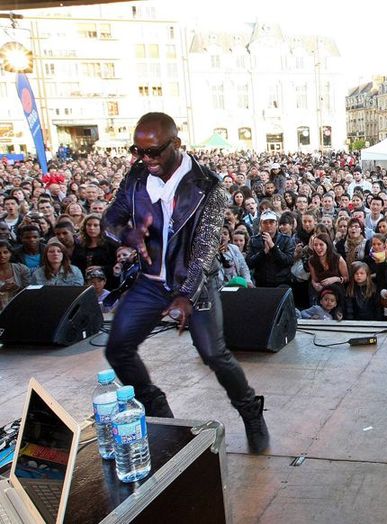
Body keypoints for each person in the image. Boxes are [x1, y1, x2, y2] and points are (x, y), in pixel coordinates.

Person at [102, 112, 269, 453]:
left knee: (213, 354)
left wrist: (185, 296)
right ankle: (158, 410)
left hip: (195, 283)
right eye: (138, 150)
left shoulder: (208, 186)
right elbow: (110, 220)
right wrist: (129, 235)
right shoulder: (136, 177)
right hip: (151, 281)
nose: (145, 159)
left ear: (176, 144)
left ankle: (251, 411)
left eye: (154, 151)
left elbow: (204, 251)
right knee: (117, 347)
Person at [245, 209, 295, 288]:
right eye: (265, 222)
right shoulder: (253, 240)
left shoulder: (286, 240)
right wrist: (263, 252)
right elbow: (249, 263)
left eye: (271, 222)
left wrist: (273, 247)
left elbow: (288, 261)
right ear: (261, 224)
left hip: (282, 283)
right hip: (261, 283)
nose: (268, 225)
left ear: (276, 224)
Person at [0, 240, 30, 311]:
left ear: (10, 253)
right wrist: (1, 290)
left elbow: (29, 291)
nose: (2, 256)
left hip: (19, 309)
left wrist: (17, 288)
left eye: (5, 252)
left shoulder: (21, 269)